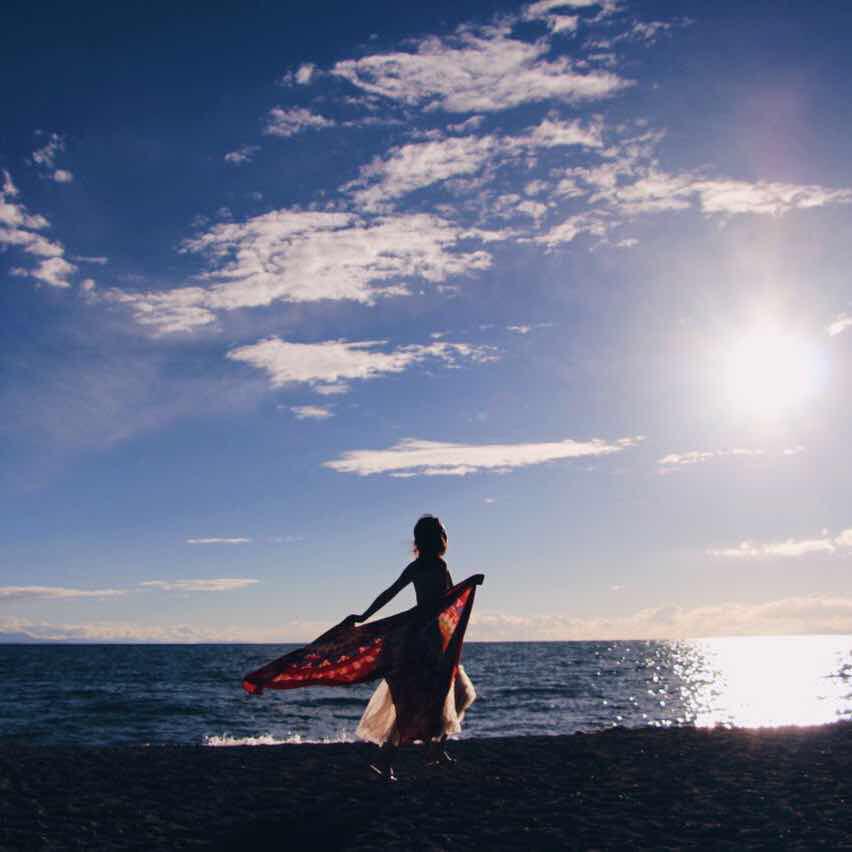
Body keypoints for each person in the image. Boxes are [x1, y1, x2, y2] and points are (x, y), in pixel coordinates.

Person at [340, 515, 477, 780]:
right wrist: (470, 585)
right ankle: (425, 751)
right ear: (438, 539)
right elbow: (448, 600)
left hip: (422, 640)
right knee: (449, 694)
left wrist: (364, 615)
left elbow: (391, 593)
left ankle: (415, 753)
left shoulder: (418, 567)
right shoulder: (438, 566)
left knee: (418, 701)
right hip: (430, 642)